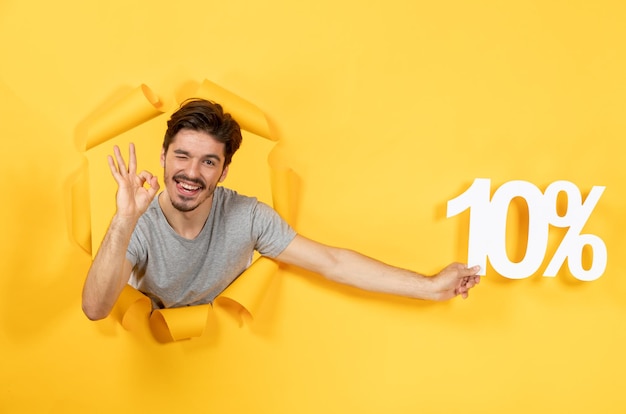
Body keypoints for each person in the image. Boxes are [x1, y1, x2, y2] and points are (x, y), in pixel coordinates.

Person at [82, 98, 480, 320]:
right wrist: (124, 219)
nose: (191, 172)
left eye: (208, 161)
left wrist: (429, 287)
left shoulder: (247, 216)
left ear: (224, 171)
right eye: (181, 156)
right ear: (164, 156)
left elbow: (332, 262)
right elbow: (96, 309)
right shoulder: (137, 223)